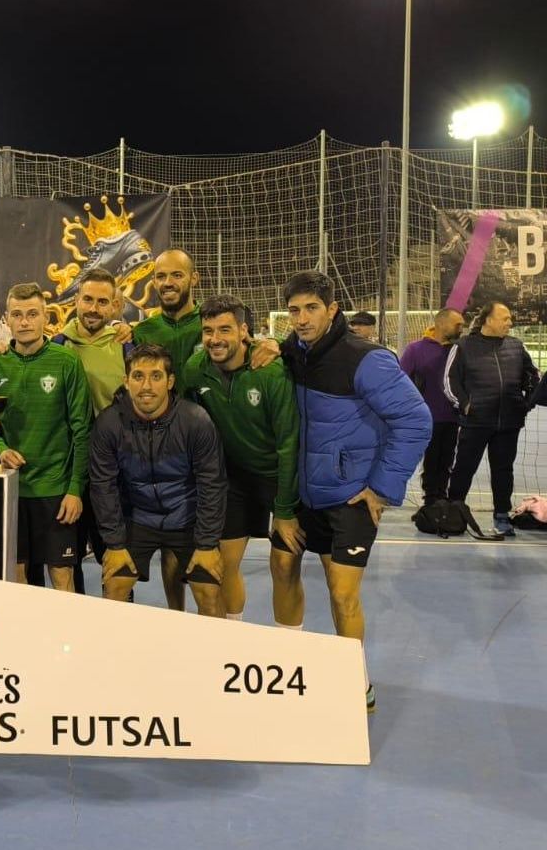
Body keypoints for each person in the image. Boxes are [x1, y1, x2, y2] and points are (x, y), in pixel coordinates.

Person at [279, 270, 431, 714]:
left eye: (311, 309)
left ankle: (355, 683)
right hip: (304, 496)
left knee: (342, 593)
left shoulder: (368, 359)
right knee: (283, 570)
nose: (302, 319)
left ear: (332, 310)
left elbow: (416, 421)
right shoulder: (293, 353)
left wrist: (381, 488)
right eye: (294, 310)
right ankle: (291, 667)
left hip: (349, 498)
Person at [180, 294, 300, 622]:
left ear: (243, 330)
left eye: (224, 329)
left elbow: (289, 443)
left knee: (285, 565)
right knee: (223, 564)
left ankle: (290, 646)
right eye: (208, 331)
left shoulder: (271, 371)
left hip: (279, 477)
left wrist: (286, 511)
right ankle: (234, 641)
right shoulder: (196, 370)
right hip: (232, 479)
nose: (215, 339)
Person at [88, 344, 226, 616]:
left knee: (209, 592)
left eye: (156, 376)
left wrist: (207, 544)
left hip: (187, 517)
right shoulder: (108, 424)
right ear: (126, 381)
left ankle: (210, 655)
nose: (146, 386)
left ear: (170, 381)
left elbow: (212, 483)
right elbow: (103, 486)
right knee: (114, 584)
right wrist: (115, 544)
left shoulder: (195, 421)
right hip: (138, 518)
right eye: (138, 376)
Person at [0, 283, 92, 589]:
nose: (24, 322)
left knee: (62, 577)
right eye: (17, 314)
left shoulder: (66, 362)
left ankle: (66, 637)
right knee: (17, 578)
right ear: (6, 320)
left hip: (56, 490)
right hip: (12, 488)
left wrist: (75, 488)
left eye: (32, 314)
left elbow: (82, 429)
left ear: (45, 318)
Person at [51, 269, 133, 594]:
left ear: (115, 306)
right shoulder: (57, 345)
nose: (94, 309)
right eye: (88, 299)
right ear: (76, 300)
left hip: (114, 473)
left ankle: (118, 631)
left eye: (103, 302)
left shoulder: (127, 344)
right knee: (68, 565)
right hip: (69, 472)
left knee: (115, 560)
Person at [442, 301, 539, 536]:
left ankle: (502, 516)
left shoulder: (516, 346)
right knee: (464, 468)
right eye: (505, 318)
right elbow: (449, 381)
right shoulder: (463, 346)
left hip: (508, 423)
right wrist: (465, 406)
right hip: (475, 422)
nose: (510, 323)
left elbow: (533, 376)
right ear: (488, 320)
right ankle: (454, 512)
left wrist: (525, 403)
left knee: (503, 470)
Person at [398, 308, 465, 503]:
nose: (462, 328)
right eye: (458, 324)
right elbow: (401, 380)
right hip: (425, 418)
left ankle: (441, 498)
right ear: (441, 324)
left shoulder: (459, 350)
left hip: (453, 417)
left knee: (446, 461)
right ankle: (429, 499)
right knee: (430, 460)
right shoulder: (415, 349)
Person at [132, 249, 203, 388]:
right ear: (153, 282)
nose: (168, 282)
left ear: (194, 278)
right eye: (161, 276)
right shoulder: (142, 332)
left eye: (177, 275)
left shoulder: (212, 324)